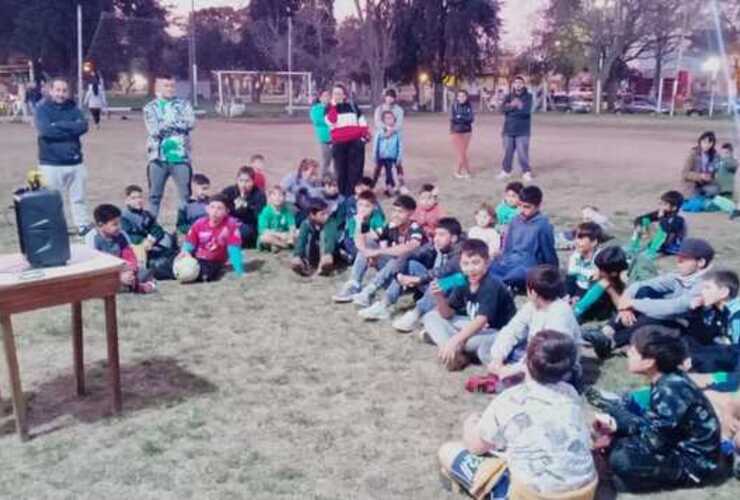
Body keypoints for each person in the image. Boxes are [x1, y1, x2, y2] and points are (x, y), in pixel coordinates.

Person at [438, 330, 597, 499]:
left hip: (532, 495)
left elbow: (476, 447)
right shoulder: (570, 393)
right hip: (584, 492)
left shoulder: (511, 398)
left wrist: (470, 423)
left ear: (526, 360)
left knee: (448, 451)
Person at [591, 326, 721, 493]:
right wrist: (615, 426)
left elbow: (654, 442)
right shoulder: (666, 379)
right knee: (612, 420)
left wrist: (616, 434)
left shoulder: (671, 389)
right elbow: (656, 426)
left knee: (621, 458)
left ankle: (631, 480)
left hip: (693, 463)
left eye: (634, 350)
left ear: (649, 361)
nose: (629, 352)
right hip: (673, 443)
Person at [585, 238, 715, 359]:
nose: (678, 261)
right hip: (675, 319)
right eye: (678, 257)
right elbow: (642, 285)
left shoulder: (707, 283)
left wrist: (633, 303)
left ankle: (611, 341)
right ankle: (607, 331)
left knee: (655, 317)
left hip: (692, 332)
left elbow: (677, 306)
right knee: (644, 292)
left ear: (701, 262)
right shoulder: (681, 277)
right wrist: (626, 303)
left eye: (684, 259)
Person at [422, 239, 516, 371]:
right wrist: (439, 296)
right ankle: (452, 352)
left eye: (476, 263)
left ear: (487, 263)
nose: (470, 269)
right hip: (472, 326)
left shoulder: (492, 284)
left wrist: (455, 340)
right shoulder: (463, 280)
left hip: (495, 332)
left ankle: (453, 347)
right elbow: (448, 314)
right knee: (431, 316)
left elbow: (481, 320)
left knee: (472, 343)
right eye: (465, 264)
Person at [486, 265, 581, 383]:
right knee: (488, 345)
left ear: (533, 292)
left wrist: (513, 370)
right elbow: (512, 330)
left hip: (557, 365)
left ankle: (519, 376)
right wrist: (498, 358)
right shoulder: (531, 306)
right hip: (531, 353)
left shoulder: (560, 314)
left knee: (544, 373)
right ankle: (514, 372)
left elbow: (550, 355)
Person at [358, 217, 463, 322]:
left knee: (442, 281)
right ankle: (384, 305)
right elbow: (411, 254)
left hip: (450, 291)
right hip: (430, 282)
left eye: (441, 235)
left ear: (453, 238)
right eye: (436, 234)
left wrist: (418, 279)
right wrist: (399, 274)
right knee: (407, 263)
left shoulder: (462, 251)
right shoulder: (436, 245)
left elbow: (446, 270)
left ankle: (416, 314)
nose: (436, 238)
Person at [333, 195, 425, 305]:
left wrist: (378, 252)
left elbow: (408, 248)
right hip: (392, 273)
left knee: (397, 258)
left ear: (411, 213)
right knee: (369, 244)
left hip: (410, 276)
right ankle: (354, 284)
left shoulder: (415, 228)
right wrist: (362, 223)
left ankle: (369, 290)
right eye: (394, 211)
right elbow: (366, 242)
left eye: (400, 212)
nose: (395, 215)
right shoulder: (391, 226)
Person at [35, 77, 90, 235]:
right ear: (51, 90)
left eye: (64, 90)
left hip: (75, 162)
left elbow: (83, 126)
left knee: (78, 198)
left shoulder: (73, 108)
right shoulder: (42, 109)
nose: (61, 94)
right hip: (51, 164)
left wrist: (58, 125)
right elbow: (46, 131)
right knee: (52, 200)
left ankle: (82, 226)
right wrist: (71, 127)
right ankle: (55, 228)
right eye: (58, 90)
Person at [144, 74, 196, 219]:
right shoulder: (150, 108)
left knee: (185, 196)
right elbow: (154, 130)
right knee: (154, 196)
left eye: (172, 85)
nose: (170, 89)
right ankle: (151, 228)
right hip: (158, 158)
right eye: (166, 85)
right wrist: (178, 124)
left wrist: (167, 124)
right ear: (157, 87)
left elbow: (191, 123)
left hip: (181, 158)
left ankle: (183, 229)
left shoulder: (184, 104)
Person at [488, 185, 558, 290]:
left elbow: (548, 253)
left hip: (528, 267)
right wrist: (503, 260)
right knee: (487, 267)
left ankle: (503, 284)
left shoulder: (543, 226)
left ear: (538, 205)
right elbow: (508, 247)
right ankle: (504, 284)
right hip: (509, 263)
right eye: (520, 206)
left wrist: (552, 274)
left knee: (518, 275)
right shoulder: (515, 221)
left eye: (527, 207)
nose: (522, 210)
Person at [86, 204, 156, 294]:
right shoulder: (93, 238)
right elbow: (94, 265)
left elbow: (129, 256)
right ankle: (134, 286)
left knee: (143, 272)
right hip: (103, 273)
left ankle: (133, 284)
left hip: (121, 269)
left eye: (119, 223)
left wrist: (130, 270)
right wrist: (118, 277)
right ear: (101, 225)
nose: (119, 227)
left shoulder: (121, 235)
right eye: (114, 224)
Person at [176, 193, 244, 282]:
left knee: (205, 274)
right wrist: (185, 252)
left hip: (213, 262)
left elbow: (234, 249)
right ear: (207, 209)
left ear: (227, 211)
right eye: (212, 207)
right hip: (195, 258)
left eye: (219, 208)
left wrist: (239, 271)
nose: (215, 211)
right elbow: (189, 243)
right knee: (172, 264)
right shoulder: (199, 223)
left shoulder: (230, 225)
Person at [682, 270, 740, 373]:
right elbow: (702, 337)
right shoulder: (715, 310)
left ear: (724, 292)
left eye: (707, 288)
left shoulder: (737, 316)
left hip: (734, 360)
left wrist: (699, 358)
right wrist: (695, 312)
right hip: (725, 352)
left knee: (704, 360)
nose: (702, 292)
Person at [325, 83, 369, 196]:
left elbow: (362, 121)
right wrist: (333, 106)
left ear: (344, 95)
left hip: (356, 143)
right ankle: (343, 195)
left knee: (356, 170)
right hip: (339, 144)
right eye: (335, 93)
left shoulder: (352, 106)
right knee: (341, 170)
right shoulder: (329, 108)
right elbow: (331, 121)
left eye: (339, 93)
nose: (337, 96)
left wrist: (363, 137)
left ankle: (354, 194)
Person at [573, 246, 628, 324]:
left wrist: (609, 289)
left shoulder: (625, 280)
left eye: (601, 270)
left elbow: (622, 307)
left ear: (613, 273)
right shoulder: (601, 278)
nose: (598, 272)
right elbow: (581, 306)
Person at [334, 188, 385, 264]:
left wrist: (363, 223)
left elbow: (377, 236)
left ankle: (363, 257)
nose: (362, 209)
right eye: (360, 205)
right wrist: (359, 223)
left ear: (373, 207)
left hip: (371, 244)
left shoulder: (376, 217)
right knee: (349, 242)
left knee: (379, 242)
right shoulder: (353, 220)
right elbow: (356, 241)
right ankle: (349, 255)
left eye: (367, 206)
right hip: (355, 244)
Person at [498, 76, 534, 182]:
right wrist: (514, 105)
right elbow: (502, 109)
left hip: (522, 130)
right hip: (508, 129)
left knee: (522, 153)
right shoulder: (508, 96)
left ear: (523, 84)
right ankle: (506, 171)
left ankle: (526, 172)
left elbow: (525, 112)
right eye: (516, 82)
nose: (518, 84)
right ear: (513, 84)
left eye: (520, 83)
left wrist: (511, 109)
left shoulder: (528, 96)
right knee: (507, 152)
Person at [222, 166, 267, 249]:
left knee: (245, 232)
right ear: (237, 180)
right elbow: (220, 208)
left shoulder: (259, 194)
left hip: (248, 225)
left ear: (253, 181)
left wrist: (247, 207)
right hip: (229, 223)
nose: (243, 184)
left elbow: (259, 215)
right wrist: (232, 207)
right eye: (241, 181)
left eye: (247, 181)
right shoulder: (229, 192)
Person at [290, 198, 334, 276]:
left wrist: (327, 253)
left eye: (327, 213)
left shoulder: (329, 223)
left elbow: (331, 241)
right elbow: (301, 241)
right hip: (310, 252)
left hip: (325, 252)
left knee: (323, 235)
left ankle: (323, 266)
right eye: (322, 214)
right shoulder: (306, 224)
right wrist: (297, 255)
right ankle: (303, 266)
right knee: (296, 259)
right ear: (312, 215)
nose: (326, 216)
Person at [681, 131, 720, 211]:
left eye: (710, 143)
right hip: (692, 184)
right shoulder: (693, 154)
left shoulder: (715, 155)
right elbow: (685, 173)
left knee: (716, 188)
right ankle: (700, 201)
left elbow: (715, 171)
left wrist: (711, 176)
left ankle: (704, 199)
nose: (706, 145)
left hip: (705, 184)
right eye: (704, 142)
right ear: (700, 141)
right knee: (695, 202)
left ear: (713, 144)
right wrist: (700, 176)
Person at [565, 222, 603, 303]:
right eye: (576, 238)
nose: (577, 241)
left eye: (581, 238)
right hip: (580, 287)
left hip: (595, 292)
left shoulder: (600, 258)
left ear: (594, 242)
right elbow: (571, 276)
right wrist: (568, 296)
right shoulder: (575, 256)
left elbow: (595, 279)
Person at [371, 110, 404, 195]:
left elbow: (400, 145)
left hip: (391, 156)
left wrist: (399, 157)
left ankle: (390, 188)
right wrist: (375, 155)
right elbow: (376, 144)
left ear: (394, 119)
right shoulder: (379, 132)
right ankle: (371, 186)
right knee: (376, 172)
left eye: (391, 118)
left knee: (389, 172)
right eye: (387, 118)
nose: (389, 120)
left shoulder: (397, 133)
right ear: (383, 120)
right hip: (381, 156)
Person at [257, 185, 297, 252]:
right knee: (263, 237)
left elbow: (292, 226)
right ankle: (285, 246)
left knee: (298, 232)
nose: (277, 198)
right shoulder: (266, 211)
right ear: (270, 197)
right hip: (272, 235)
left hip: (284, 235)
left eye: (280, 195)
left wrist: (291, 234)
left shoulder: (287, 211)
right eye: (274, 195)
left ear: (284, 198)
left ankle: (276, 246)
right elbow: (264, 230)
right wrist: (280, 235)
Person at [449, 89, 474, 179]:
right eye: (459, 96)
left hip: (467, 132)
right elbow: (453, 119)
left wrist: (460, 116)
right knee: (462, 152)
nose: (461, 98)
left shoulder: (469, 106)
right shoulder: (454, 106)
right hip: (456, 131)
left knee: (462, 152)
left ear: (466, 97)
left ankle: (457, 171)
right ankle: (467, 172)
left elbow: (471, 119)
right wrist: (464, 118)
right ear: (457, 97)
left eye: (463, 96)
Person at [310, 90, 333, 177]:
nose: (327, 98)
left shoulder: (333, 107)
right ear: (320, 98)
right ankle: (323, 178)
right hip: (324, 138)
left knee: (337, 161)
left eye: (328, 96)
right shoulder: (316, 109)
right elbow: (317, 121)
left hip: (335, 137)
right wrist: (330, 120)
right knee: (326, 160)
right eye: (325, 96)